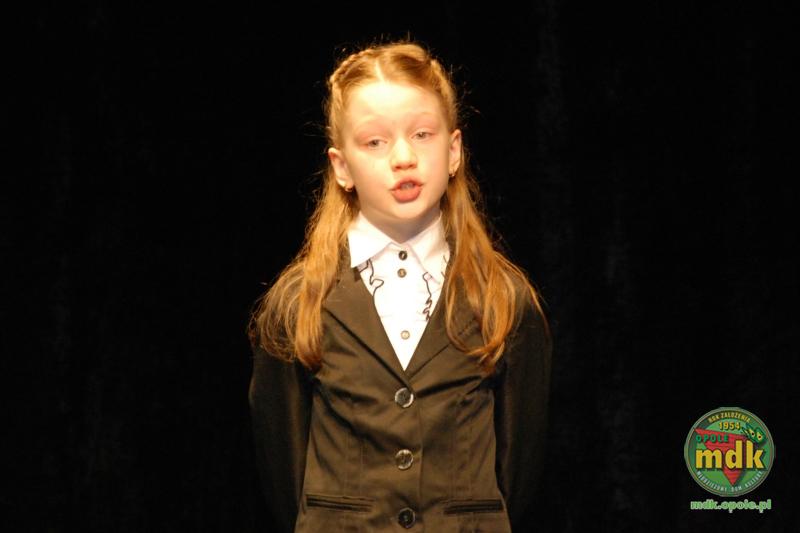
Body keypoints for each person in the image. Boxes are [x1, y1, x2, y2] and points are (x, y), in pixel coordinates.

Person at [247, 38, 552, 532]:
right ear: (341, 166)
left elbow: (518, 468)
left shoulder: (503, 300)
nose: (404, 157)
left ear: (453, 151)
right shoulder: (298, 302)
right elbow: (284, 472)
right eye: (375, 142)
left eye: (422, 134)